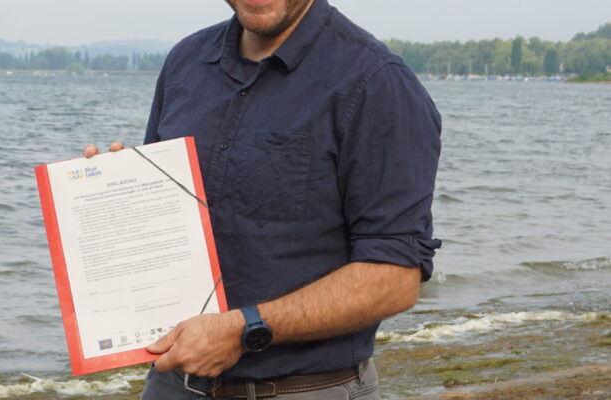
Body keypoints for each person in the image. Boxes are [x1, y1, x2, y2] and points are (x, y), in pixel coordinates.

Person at [83, 0, 442, 398]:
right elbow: (163, 229)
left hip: (305, 389)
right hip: (171, 387)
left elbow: (394, 279)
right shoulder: (185, 61)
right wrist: (116, 193)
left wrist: (244, 329)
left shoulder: (377, 81)